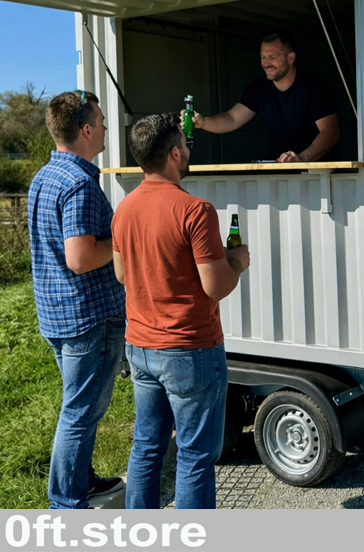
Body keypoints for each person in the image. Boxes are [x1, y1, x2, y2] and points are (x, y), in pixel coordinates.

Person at [111, 113, 250, 509]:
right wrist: (236, 260)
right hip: (189, 349)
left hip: (140, 347)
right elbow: (216, 285)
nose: (188, 152)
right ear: (174, 153)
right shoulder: (195, 210)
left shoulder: (124, 209)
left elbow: (123, 275)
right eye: (185, 147)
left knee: (146, 448)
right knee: (193, 457)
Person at [27, 90, 127, 509]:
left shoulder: (44, 177)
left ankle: (81, 481)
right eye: (101, 121)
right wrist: (122, 241)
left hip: (56, 315)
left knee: (78, 407)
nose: (105, 126)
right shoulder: (79, 183)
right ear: (85, 130)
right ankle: (66, 505)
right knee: (80, 412)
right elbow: (81, 256)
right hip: (89, 318)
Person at [185, 32, 340, 162]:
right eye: (262, 57)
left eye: (272, 57)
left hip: (321, 174)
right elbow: (232, 119)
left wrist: (301, 158)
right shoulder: (258, 88)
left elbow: (330, 131)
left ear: (290, 58)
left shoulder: (313, 86)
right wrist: (203, 122)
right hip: (282, 173)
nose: (266, 63)